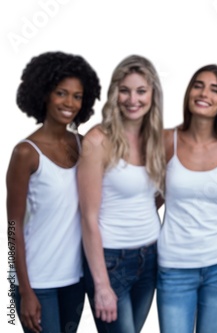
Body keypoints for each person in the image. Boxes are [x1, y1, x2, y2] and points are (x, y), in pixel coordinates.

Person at [6, 51, 100, 333]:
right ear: (44, 93)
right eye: (61, 93)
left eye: (77, 96)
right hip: (37, 281)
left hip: (75, 279)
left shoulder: (86, 145)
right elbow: (13, 227)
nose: (69, 103)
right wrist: (24, 290)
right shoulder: (26, 152)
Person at [77, 55, 165, 333]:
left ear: (153, 94)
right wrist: (101, 284)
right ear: (115, 93)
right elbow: (88, 217)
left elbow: (156, 195)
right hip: (111, 261)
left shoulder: (156, 138)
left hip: (151, 255)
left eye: (141, 91)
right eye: (125, 90)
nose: (132, 99)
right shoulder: (97, 140)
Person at [156, 64, 217, 333]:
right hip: (174, 267)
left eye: (214, 89)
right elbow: (149, 199)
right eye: (198, 85)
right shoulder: (166, 140)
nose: (204, 93)